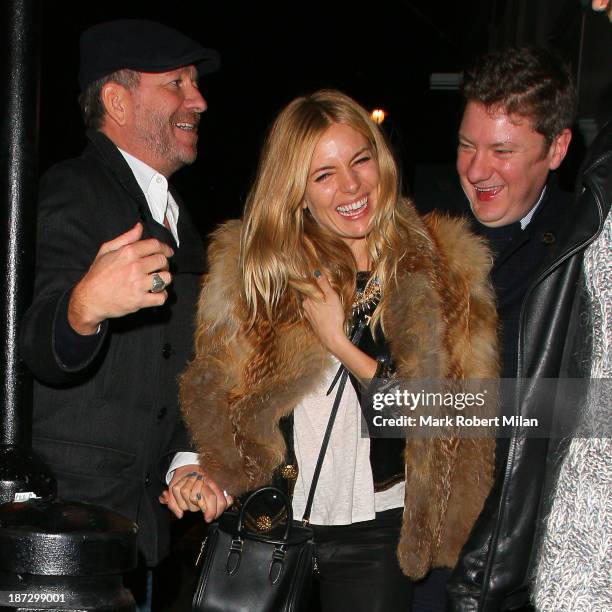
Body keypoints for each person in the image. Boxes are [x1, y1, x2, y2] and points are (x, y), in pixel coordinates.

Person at [177, 89, 499, 611]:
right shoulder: (257, 269)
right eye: (323, 174)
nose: (351, 186)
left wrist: (339, 343)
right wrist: (194, 465)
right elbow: (212, 381)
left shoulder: (442, 266)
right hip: (270, 518)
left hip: (378, 531)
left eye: (360, 161)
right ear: (297, 192)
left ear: (381, 161)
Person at [19, 18, 230, 607]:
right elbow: (38, 343)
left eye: (195, 83)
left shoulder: (175, 210)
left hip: (138, 530)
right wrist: (83, 307)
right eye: (177, 84)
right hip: (65, 527)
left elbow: (180, 358)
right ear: (117, 99)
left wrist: (184, 461)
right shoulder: (72, 190)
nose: (199, 100)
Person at [441, 46, 593, 611]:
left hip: (526, 559)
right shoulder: (422, 240)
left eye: (502, 150)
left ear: (556, 149)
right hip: (422, 548)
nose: (476, 170)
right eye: (466, 144)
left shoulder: (584, 257)